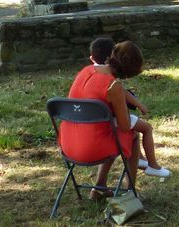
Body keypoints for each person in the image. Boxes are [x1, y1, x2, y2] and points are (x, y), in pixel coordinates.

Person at [59, 41, 150, 200]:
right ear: (129, 71)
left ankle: (99, 187)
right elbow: (124, 126)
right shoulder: (113, 86)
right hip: (91, 149)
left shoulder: (86, 71)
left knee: (108, 135)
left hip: (68, 145)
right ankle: (130, 192)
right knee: (132, 136)